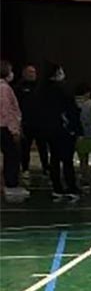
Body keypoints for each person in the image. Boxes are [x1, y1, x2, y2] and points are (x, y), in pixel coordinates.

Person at [38, 63, 81, 201]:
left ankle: (57, 188)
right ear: (56, 74)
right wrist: (76, 129)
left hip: (49, 131)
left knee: (54, 159)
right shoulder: (62, 90)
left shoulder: (41, 91)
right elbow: (71, 111)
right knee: (67, 160)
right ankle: (71, 188)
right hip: (64, 130)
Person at [1, 60, 28, 202]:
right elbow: (7, 111)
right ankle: (11, 184)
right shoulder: (4, 89)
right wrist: (14, 130)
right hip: (6, 127)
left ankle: (9, 182)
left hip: (4, 127)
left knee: (9, 156)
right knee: (12, 156)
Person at [15, 64, 48, 176]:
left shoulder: (41, 87)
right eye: (29, 72)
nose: (32, 74)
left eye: (33, 72)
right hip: (26, 123)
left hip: (40, 123)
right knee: (25, 148)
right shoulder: (19, 88)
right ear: (24, 74)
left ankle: (45, 168)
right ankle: (25, 168)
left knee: (43, 147)